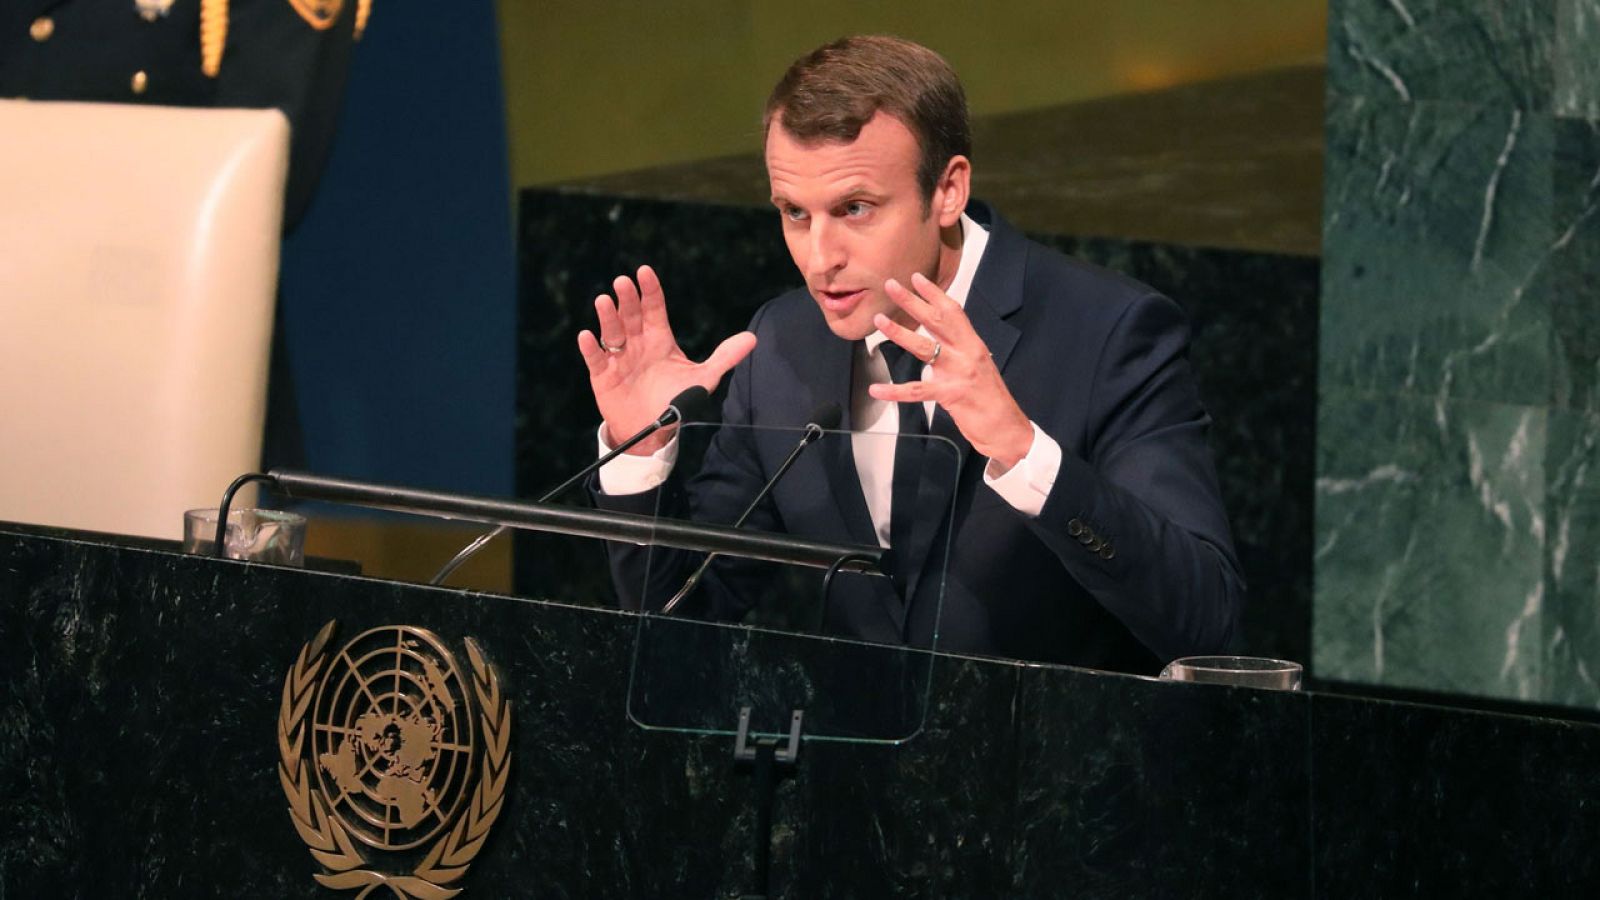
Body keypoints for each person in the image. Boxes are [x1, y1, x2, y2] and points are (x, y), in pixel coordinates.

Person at [579, 35, 1243, 674]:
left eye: (856, 208)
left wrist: (1024, 452)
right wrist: (640, 460)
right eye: (795, 213)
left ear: (947, 191)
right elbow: (684, 620)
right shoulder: (780, 343)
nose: (820, 258)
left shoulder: (1110, 332)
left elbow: (1206, 620)